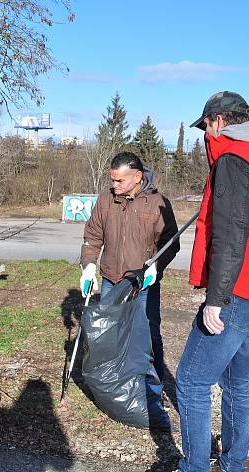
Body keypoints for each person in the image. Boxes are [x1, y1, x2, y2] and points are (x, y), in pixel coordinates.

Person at [137, 91, 249, 472]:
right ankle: (231, 471)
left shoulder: (235, 161)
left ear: (219, 121)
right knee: (237, 382)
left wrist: (216, 299)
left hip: (237, 292)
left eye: (205, 126)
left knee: (191, 380)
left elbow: (230, 234)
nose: (204, 135)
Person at [79, 151, 179, 428]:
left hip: (142, 284)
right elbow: (92, 236)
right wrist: (88, 265)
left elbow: (171, 242)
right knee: (111, 337)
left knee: (146, 337)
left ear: (137, 177)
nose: (115, 186)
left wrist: (156, 266)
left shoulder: (157, 203)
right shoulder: (106, 200)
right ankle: (115, 389)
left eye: (120, 181)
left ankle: (152, 394)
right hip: (112, 278)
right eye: (112, 180)